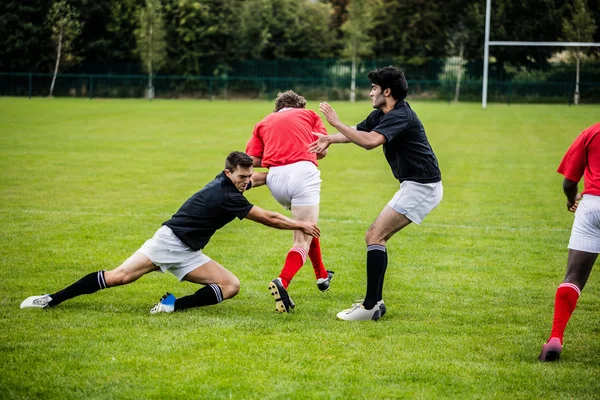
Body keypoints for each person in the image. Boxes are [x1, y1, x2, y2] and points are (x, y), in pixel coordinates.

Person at [20, 151, 320, 314]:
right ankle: (50, 299)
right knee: (119, 277)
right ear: (228, 173)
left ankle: (170, 307)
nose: (246, 181)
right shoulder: (227, 195)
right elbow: (267, 217)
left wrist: (284, 171)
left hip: (189, 252)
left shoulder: (227, 181)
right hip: (169, 242)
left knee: (231, 286)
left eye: (248, 177)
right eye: (241, 177)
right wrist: (300, 224)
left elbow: (259, 181)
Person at [309, 66, 443, 321]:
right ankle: (375, 303)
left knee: (374, 235)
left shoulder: (400, 114)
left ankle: (371, 306)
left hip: (422, 186)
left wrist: (334, 123)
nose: (370, 92)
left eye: (374, 88)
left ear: (387, 91)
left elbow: (370, 142)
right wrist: (328, 138)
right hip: (414, 185)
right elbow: (356, 133)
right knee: (376, 236)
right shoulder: (382, 113)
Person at [246, 90, 333, 313]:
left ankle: (322, 275)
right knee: (301, 240)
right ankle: (282, 281)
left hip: (275, 177)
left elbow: (252, 160)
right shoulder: (310, 115)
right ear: (300, 106)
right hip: (303, 173)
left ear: (278, 108)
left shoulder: (263, 122)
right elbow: (321, 149)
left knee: (307, 226)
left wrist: (277, 151)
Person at [538, 122, 600, 362]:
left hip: (592, 206)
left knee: (573, 277)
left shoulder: (592, 132)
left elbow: (569, 181)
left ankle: (555, 338)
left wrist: (570, 200)